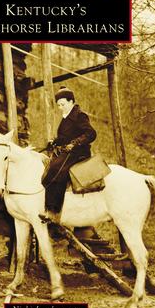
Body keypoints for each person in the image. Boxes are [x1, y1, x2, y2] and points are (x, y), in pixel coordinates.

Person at [39, 86, 97, 224]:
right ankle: (47, 208)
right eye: (58, 105)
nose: (60, 107)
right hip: (68, 151)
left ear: (71, 102)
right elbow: (65, 136)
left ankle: (54, 212)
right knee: (50, 167)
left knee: (57, 170)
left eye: (63, 104)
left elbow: (91, 134)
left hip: (78, 152)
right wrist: (54, 142)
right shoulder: (66, 117)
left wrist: (75, 143)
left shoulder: (79, 116)